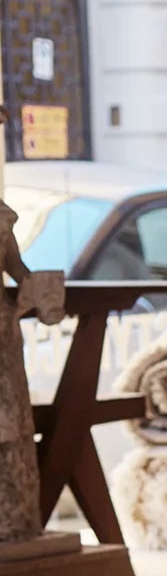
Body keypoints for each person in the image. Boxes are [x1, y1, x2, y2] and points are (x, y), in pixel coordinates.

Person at [0, 198, 68, 542]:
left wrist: (42, 292)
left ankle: (15, 520)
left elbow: (16, 266)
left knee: (11, 425)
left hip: (1, 334)